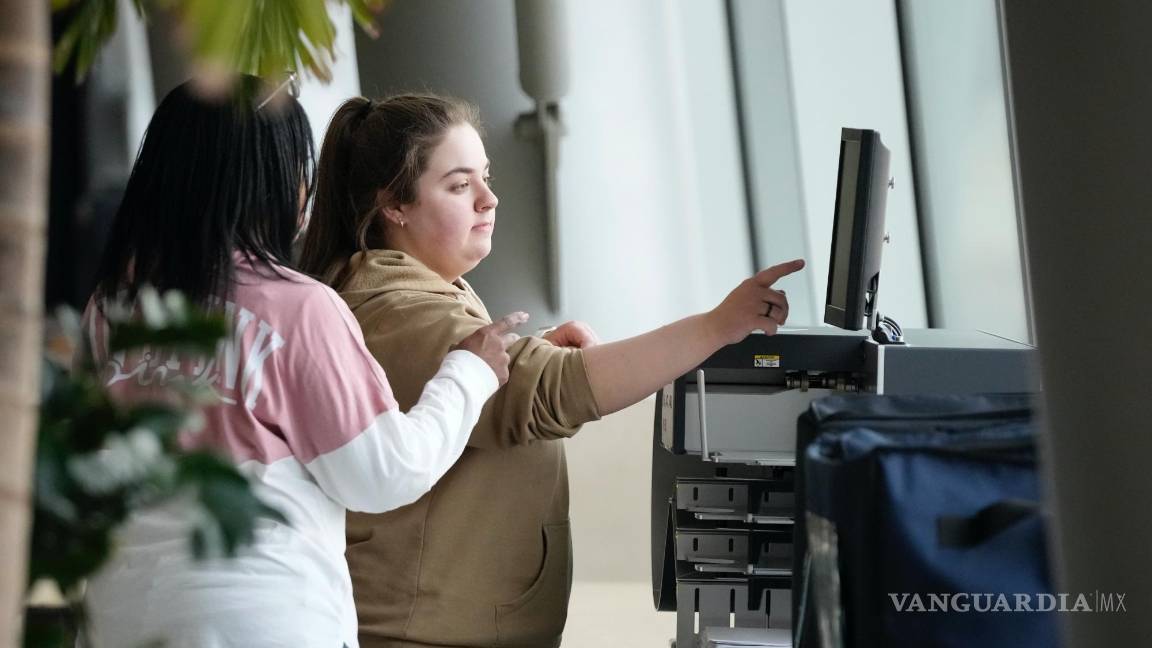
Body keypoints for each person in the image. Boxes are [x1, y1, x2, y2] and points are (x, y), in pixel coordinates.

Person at [299, 93, 804, 648]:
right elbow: (554, 390)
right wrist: (715, 327)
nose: (489, 200)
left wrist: (530, 353)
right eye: (459, 185)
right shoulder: (400, 307)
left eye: (485, 178)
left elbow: (474, 394)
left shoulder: (414, 294)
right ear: (394, 204)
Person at [80, 77, 524, 648]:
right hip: (267, 620)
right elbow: (383, 474)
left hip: (120, 622)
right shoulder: (296, 307)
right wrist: (469, 373)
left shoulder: (110, 308)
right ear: (270, 179)